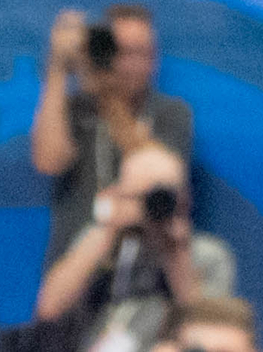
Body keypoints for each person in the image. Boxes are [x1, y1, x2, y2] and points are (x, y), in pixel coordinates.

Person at [30, 4, 197, 260]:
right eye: (122, 52)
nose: (132, 65)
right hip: (74, 276)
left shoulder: (171, 113)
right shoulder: (75, 108)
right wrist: (58, 66)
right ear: (103, 53)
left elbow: (160, 176)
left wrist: (105, 93)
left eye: (142, 53)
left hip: (145, 276)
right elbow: (49, 161)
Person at [37, 142, 232, 352]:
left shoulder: (208, 255)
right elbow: (49, 308)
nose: (154, 206)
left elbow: (205, 327)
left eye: (163, 196)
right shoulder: (101, 242)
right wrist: (108, 226)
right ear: (121, 190)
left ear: (183, 197)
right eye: (145, 196)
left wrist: (175, 251)